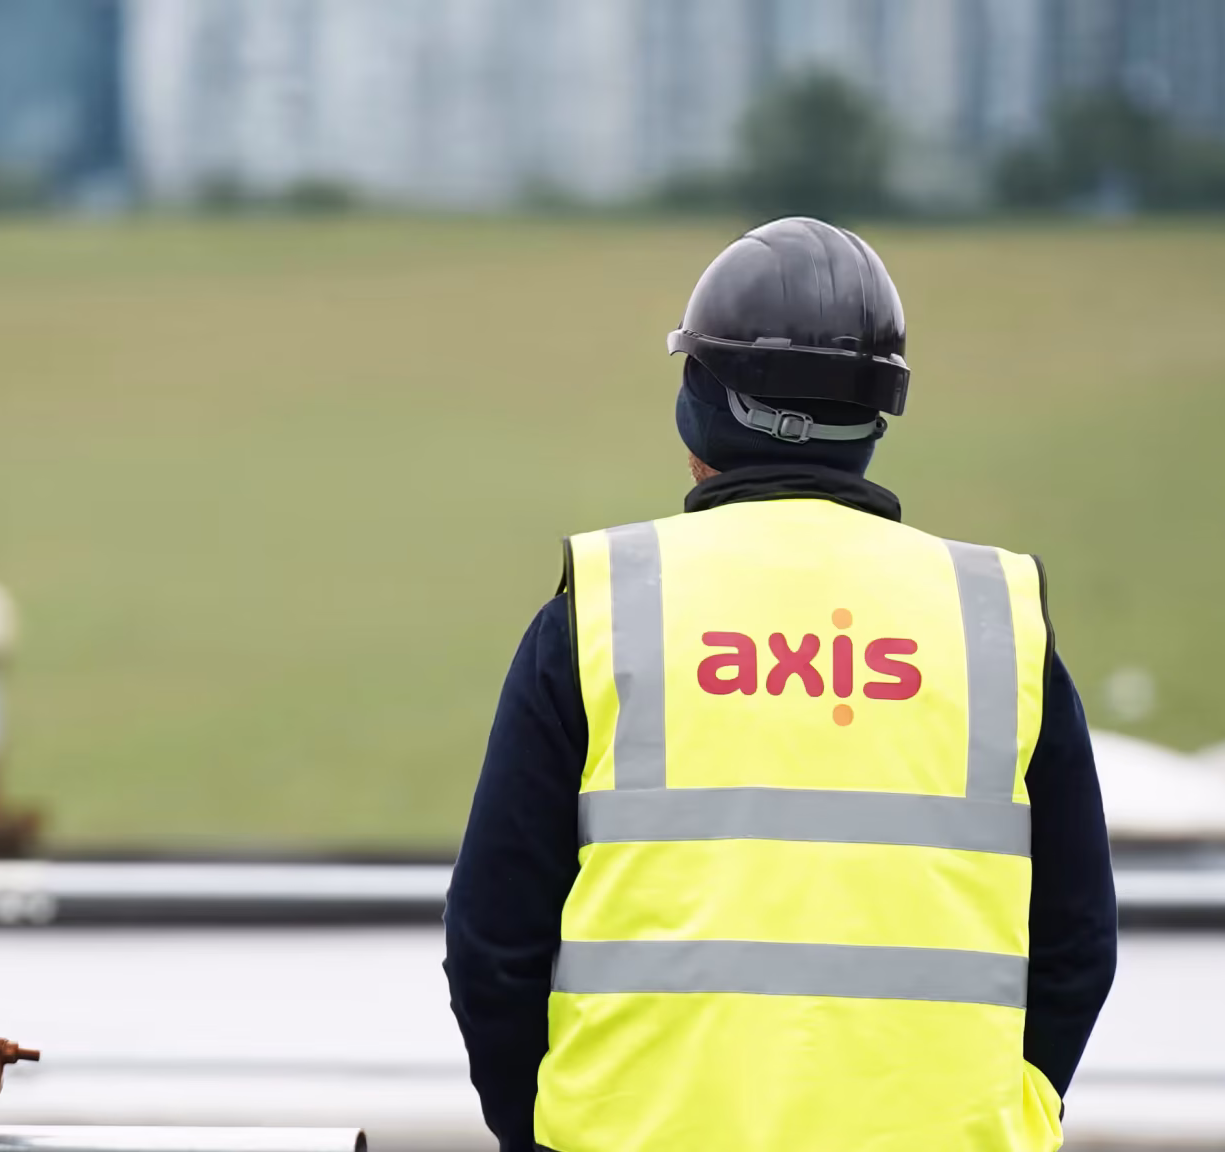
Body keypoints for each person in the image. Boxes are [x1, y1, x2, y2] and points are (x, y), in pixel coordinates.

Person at [443, 217, 1118, 1152]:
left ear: (700, 404)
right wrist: (1010, 1116)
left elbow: (492, 940)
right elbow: (1078, 946)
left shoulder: (604, 606)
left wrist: (544, 1134)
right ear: (877, 418)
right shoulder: (994, 617)